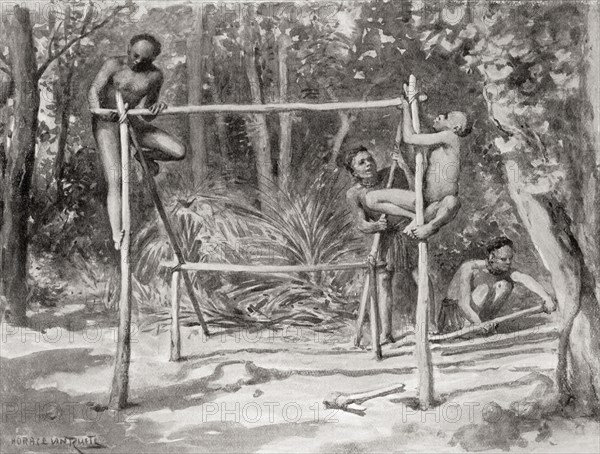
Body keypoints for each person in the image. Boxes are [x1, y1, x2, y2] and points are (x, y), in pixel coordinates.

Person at [88, 34, 186, 250]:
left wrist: (156, 108)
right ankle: (117, 235)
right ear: (128, 48)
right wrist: (99, 111)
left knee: (178, 150)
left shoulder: (154, 76)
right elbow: (94, 89)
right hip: (108, 124)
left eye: (145, 60)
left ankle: (144, 157)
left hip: (131, 122)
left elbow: (147, 114)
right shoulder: (113, 64)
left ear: (153, 59)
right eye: (135, 56)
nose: (138, 62)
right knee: (116, 178)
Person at [344, 145, 435, 342]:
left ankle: (432, 326)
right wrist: (375, 225)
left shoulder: (391, 174)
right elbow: (361, 223)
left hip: (407, 229)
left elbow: (416, 193)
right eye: (362, 162)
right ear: (354, 172)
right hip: (385, 236)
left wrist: (403, 165)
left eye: (370, 159)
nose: (368, 164)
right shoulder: (354, 193)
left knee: (420, 274)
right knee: (383, 281)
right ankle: (386, 334)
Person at [365, 97, 471, 240]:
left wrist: (406, 108)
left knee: (453, 201)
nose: (439, 116)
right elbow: (418, 185)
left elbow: (409, 137)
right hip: (423, 203)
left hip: (439, 205)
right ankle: (412, 216)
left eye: (445, 117)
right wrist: (403, 164)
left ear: (456, 128)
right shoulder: (437, 148)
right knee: (371, 199)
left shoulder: (450, 137)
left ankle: (430, 227)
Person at [438, 236, 557, 334]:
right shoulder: (469, 268)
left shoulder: (504, 270)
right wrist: (479, 324)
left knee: (505, 285)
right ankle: (475, 328)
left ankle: (484, 326)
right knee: (483, 288)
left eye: (510, 258)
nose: (508, 262)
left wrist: (547, 298)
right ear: (491, 257)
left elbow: (524, 278)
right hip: (454, 319)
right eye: (503, 259)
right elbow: (463, 304)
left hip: (478, 320)